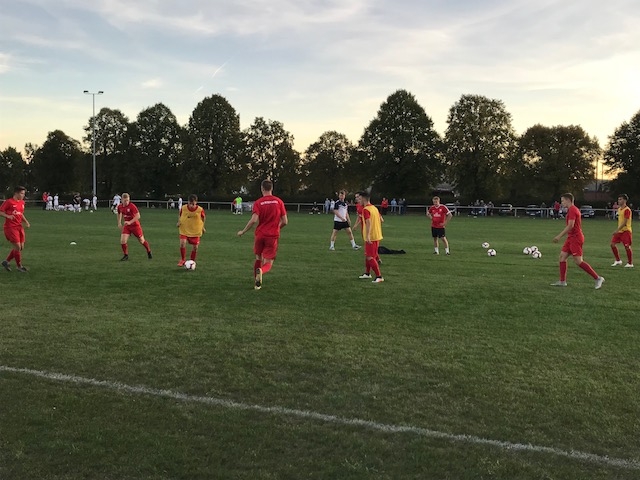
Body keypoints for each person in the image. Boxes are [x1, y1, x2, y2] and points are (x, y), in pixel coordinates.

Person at [237, 179, 288, 290]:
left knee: (258, 258)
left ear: (262, 189)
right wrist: (276, 228)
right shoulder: (279, 202)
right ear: (272, 188)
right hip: (272, 236)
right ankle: (261, 271)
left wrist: (243, 231)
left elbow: (254, 220)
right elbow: (285, 221)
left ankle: (257, 283)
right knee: (268, 263)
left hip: (260, 234)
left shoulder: (258, 202)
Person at [551, 193, 604, 289]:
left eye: (562, 201)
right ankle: (562, 281)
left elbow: (570, 226)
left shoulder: (572, 210)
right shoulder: (571, 210)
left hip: (576, 238)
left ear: (568, 200)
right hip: (571, 238)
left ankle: (598, 278)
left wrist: (559, 236)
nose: (561, 203)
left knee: (578, 261)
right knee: (562, 257)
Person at [1, 186, 31, 272]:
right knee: (17, 247)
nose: (23, 195)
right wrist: (8, 216)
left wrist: (26, 222)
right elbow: (0, 211)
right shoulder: (9, 202)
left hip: (19, 226)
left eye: (24, 194)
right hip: (10, 227)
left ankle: (6, 261)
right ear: (16, 193)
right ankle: (19, 266)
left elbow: (20, 214)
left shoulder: (22, 202)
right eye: (22, 193)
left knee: (20, 247)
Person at [357, 191, 384, 283]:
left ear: (363, 199)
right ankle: (367, 273)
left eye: (359, 199)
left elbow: (368, 222)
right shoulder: (374, 208)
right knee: (368, 255)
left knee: (370, 257)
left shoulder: (366, 210)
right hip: (376, 235)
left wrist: (368, 235)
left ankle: (379, 276)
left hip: (371, 237)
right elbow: (381, 220)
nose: (358, 201)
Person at [117, 193, 152, 261]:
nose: (126, 202)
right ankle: (126, 255)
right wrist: (119, 223)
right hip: (127, 226)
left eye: (127, 200)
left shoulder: (132, 206)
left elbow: (138, 216)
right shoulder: (120, 206)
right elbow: (119, 213)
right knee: (123, 241)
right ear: (122, 200)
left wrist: (130, 222)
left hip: (135, 226)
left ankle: (148, 251)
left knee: (142, 241)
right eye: (125, 201)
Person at [177, 194, 206, 267]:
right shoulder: (183, 208)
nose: (191, 205)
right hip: (184, 228)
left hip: (195, 230)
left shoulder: (200, 209)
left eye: (193, 204)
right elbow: (180, 215)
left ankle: (192, 261)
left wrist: (203, 227)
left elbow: (203, 218)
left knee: (195, 247)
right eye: (190, 203)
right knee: (182, 243)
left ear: (196, 202)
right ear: (188, 202)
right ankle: (183, 259)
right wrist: (179, 222)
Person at [610, 193, 633, 268]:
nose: (619, 201)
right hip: (620, 231)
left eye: (620, 199)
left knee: (627, 246)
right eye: (618, 199)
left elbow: (625, 222)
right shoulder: (619, 209)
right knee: (612, 244)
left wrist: (617, 230)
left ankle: (630, 263)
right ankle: (618, 260)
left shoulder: (627, 210)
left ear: (625, 200)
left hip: (626, 231)